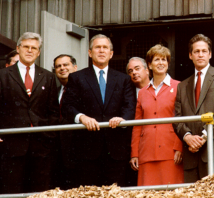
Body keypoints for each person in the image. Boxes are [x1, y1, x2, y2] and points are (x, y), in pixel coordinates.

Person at [61, 34, 136, 187]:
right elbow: (67, 106)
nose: (101, 51)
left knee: (114, 195)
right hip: (86, 150)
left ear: (111, 53)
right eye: (97, 47)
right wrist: (82, 118)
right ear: (90, 52)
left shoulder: (123, 79)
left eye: (105, 47)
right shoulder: (76, 77)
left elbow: (130, 106)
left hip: (116, 150)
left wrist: (123, 119)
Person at [0, 32, 59, 193]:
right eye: (26, 47)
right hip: (12, 146)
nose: (30, 50)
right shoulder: (1, 75)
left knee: (39, 192)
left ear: (39, 52)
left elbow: (53, 111)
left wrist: (49, 137)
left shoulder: (48, 77)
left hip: (41, 146)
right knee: (12, 191)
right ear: (18, 48)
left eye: (34, 48)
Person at [173, 34, 214, 183]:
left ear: (210, 54)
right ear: (190, 55)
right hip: (191, 156)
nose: (200, 54)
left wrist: (203, 137)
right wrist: (187, 137)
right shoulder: (182, 86)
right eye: (196, 51)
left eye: (204, 51)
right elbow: (177, 118)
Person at [130, 44, 183, 186]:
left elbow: (182, 119)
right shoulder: (142, 92)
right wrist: (134, 153)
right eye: (157, 60)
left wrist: (179, 147)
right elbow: (137, 125)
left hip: (170, 151)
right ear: (149, 65)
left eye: (164, 60)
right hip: (146, 152)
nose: (161, 63)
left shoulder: (179, 87)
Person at [53, 54, 77, 189]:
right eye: (58, 66)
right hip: (58, 150)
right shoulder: (54, 91)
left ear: (75, 67)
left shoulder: (84, 89)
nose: (62, 68)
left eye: (65, 65)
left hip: (77, 149)